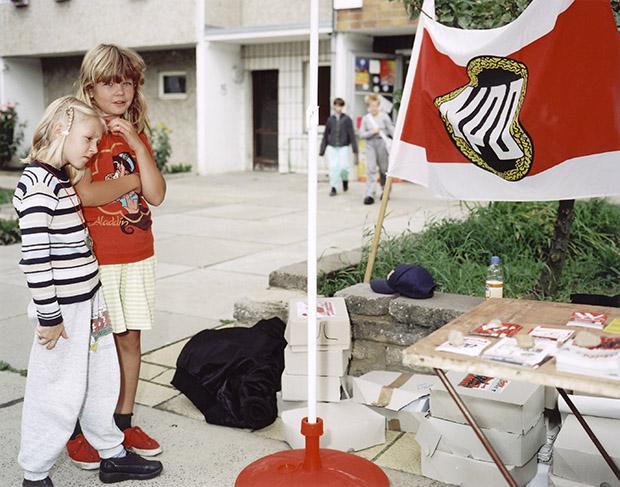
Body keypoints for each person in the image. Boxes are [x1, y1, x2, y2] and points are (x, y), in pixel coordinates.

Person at [14, 96, 163, 486]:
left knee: (101, 382)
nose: (95, 149)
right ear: (62, 129)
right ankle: (35, 472)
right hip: (62, 313)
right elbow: (35, 259)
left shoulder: (61, 179)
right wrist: (49, 316)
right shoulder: (36, 186)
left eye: (98, 141)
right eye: (89, 139)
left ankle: (111, 454)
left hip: (90, 303)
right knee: (56, 392)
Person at [66, 44, 167, 469]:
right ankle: (80, 428)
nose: (121, 90)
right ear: (91, 88)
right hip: (99, 260)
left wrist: (138, 147)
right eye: (110, 82)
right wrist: (130, 182)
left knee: (130, 339)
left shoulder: (134, 130)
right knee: (93, 348)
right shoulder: (83, 131)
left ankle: (121, 421)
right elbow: (85, 192)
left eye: (127, 81)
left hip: (138, 255)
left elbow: (157, 194)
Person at [359, 94, 394, 205]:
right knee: (371, 169)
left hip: (382, 143)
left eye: (375, 106)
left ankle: (385, 190)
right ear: (368, 107)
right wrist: (371, 132)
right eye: (370, 106)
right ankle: (369, 194)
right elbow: (361, 134)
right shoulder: (366, 118)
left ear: (378, 106)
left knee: (384, 169)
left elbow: (391, 130)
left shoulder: (384, 117)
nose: (373, 108)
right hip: (370, 144)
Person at [319, 97, 358, 196]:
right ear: (334, 106)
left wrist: (354, 148)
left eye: (340, 105)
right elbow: (326, 134)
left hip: (343, 146)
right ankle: (333, 187)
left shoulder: (347, 119)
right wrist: (322, 149)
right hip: (332, 147)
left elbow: (351, 134)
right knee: (333, 167)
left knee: (344, 166)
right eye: (336, 105)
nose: (338, 107)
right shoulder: (330, 120)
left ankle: (345, 180)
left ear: (342, 107)